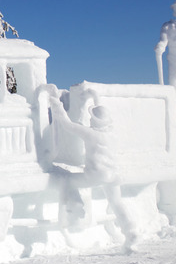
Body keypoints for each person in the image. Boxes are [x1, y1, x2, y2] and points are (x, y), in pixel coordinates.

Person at [49, 94, 138, 251]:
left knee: (67, 181)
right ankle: (131, 230)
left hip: (97, 174)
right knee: (116, 202)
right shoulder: (113, 135)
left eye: (92, 118)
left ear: (96, 121)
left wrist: (57, 106)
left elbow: (67, 125)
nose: (89, 120)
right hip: (113, 175)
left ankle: (74, 215)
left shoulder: (92, 134)